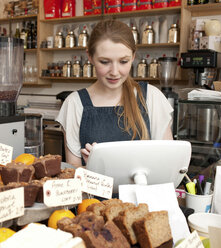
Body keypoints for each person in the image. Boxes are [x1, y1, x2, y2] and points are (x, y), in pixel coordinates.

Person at [56, 19, 173, 167]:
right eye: (105, 62)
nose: (115, 72)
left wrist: (105, 164)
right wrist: (94, 168)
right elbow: (74, 175)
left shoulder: (152, 97)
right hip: (93, 192)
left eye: (124, 61)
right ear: (90, 57)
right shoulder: (74, 104)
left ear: (133, 57)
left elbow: (167, 165)